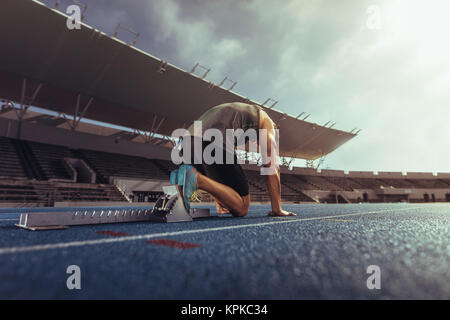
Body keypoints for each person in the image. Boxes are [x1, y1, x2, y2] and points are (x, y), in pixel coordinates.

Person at [171, 102, 295, 217]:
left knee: (220, 185)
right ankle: (197, 180)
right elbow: (271, 166)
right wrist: (277, 209)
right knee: (242, 206)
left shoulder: (241, 114)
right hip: (213, 139)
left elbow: (217, 171)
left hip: (187, 141)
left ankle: (182, 183)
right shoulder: (268, 124)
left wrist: (222, 201)